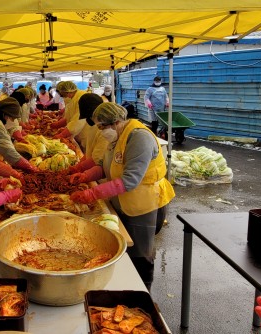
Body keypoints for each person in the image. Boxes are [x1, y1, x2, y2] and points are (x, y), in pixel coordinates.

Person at [69, 102, 175, 290]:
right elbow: (106, 166)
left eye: (102, 126)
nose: (100, 131)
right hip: (122, 201)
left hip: (143, 204)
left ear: (117, 122)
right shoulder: (118, 135)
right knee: (124, 247)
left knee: (141, 252)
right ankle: (124, 286)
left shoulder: (139, 138)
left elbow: (129, 180)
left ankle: (143, 291)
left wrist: (91, 193)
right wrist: (85, 176)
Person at [0, 97, 40, 173]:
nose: (13, 121)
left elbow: (12, 130)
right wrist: (29, 167)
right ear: (5, 114)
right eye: (13, 118)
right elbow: (9, 152)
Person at [51, 81, 87, 148]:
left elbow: (78, 121)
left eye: (64, 95)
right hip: (78, 133)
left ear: (68, 92)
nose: (65, 97)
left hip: (85, 132)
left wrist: (62, 135)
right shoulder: (73, 98)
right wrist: (59, 125)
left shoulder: (81, 98)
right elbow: (69, 117)